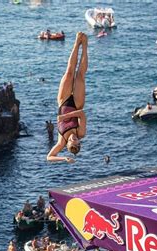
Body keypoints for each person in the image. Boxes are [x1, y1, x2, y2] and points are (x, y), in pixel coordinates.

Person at [47, 32, 88, 163]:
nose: (72, 139)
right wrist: (64, 117)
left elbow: (49, 157)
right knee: (80, 74)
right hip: (76, 104)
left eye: (71, 142)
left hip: (63, 101)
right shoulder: (80, 132)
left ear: (67, 145)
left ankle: (77, 42)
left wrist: (64, 158)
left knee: (69, 72)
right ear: (79, 142)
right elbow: (81, 114)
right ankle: (85, 45)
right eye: (75, 141)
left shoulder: (61, 141)